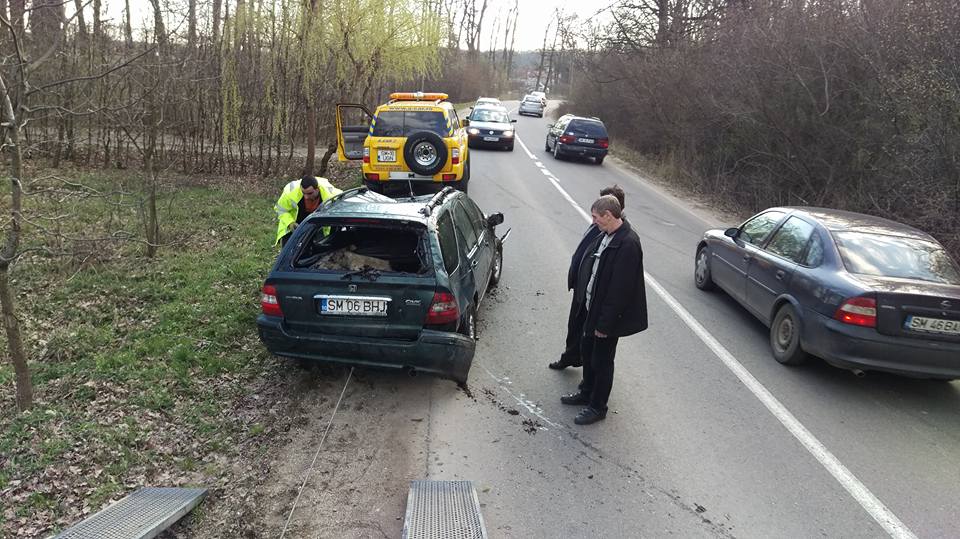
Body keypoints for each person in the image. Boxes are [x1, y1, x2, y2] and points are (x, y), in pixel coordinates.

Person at [560, 195, 648, 425]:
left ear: (609, 216)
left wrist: (604, 325)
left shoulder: (628, 243)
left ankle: (598, 407)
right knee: (588, 354)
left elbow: (620, 291)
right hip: (592, 310)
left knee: (602, 362)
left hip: (606, 320)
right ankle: (586, 392)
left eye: (596, 217)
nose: (594, 221)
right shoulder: (606, 235)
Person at [549, 185, 627, 370]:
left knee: (585, 334)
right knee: (574, 327)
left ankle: (585, 373)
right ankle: (571, 356)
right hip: (583, 287)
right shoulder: (599, 225)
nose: (597, 214)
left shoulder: (614, 233)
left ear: (613, 210)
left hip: (592, 294)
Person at [274, 175, 341, 246]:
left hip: (317, 227)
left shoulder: (331, 195)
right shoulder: (290, 192)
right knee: (289, 252)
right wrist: (290, 223)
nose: (306, 197)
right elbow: (281, 210)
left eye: (309, 193)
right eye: (303, 193)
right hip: (294, 227)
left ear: (317, 189)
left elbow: (343, 203)